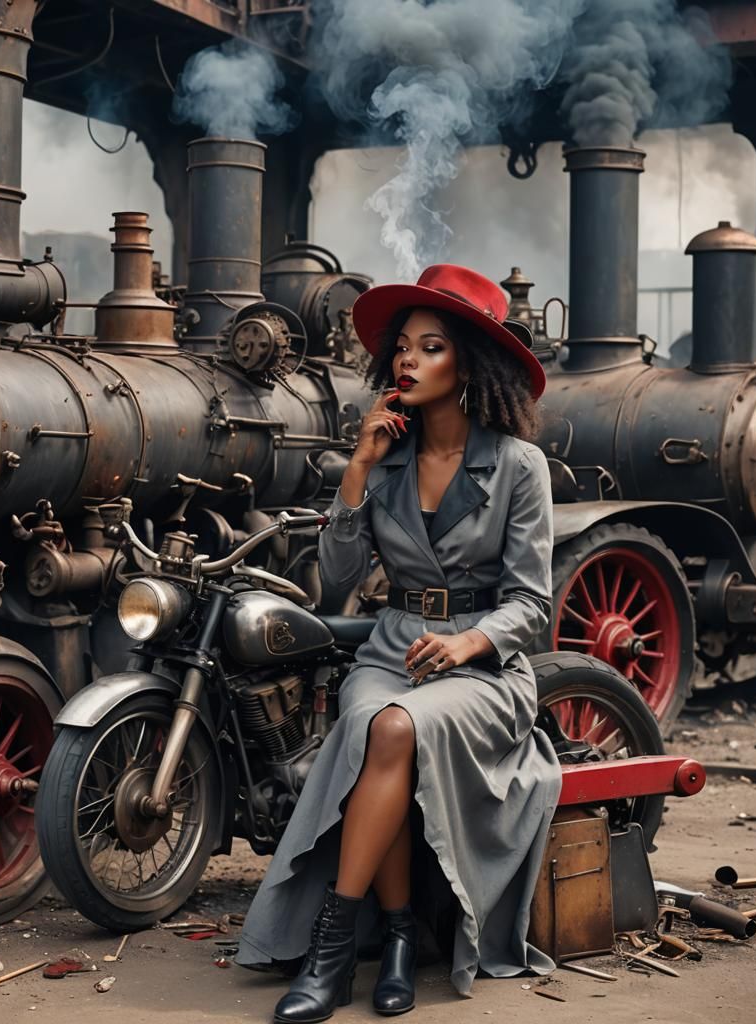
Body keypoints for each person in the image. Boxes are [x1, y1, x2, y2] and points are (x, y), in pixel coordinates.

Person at [235, 264, 562, 1022]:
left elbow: (531, 604)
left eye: (433, 347)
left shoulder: (519, 467)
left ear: (470, 364)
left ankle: (331, 950)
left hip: (484, 670)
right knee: (374, 723)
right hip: (391, 651)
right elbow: (337, 579)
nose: (409, 361)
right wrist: (357, 470)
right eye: (403, 348)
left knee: (390, 728)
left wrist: (467, 644)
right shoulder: (386, 462)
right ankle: (400, 940)